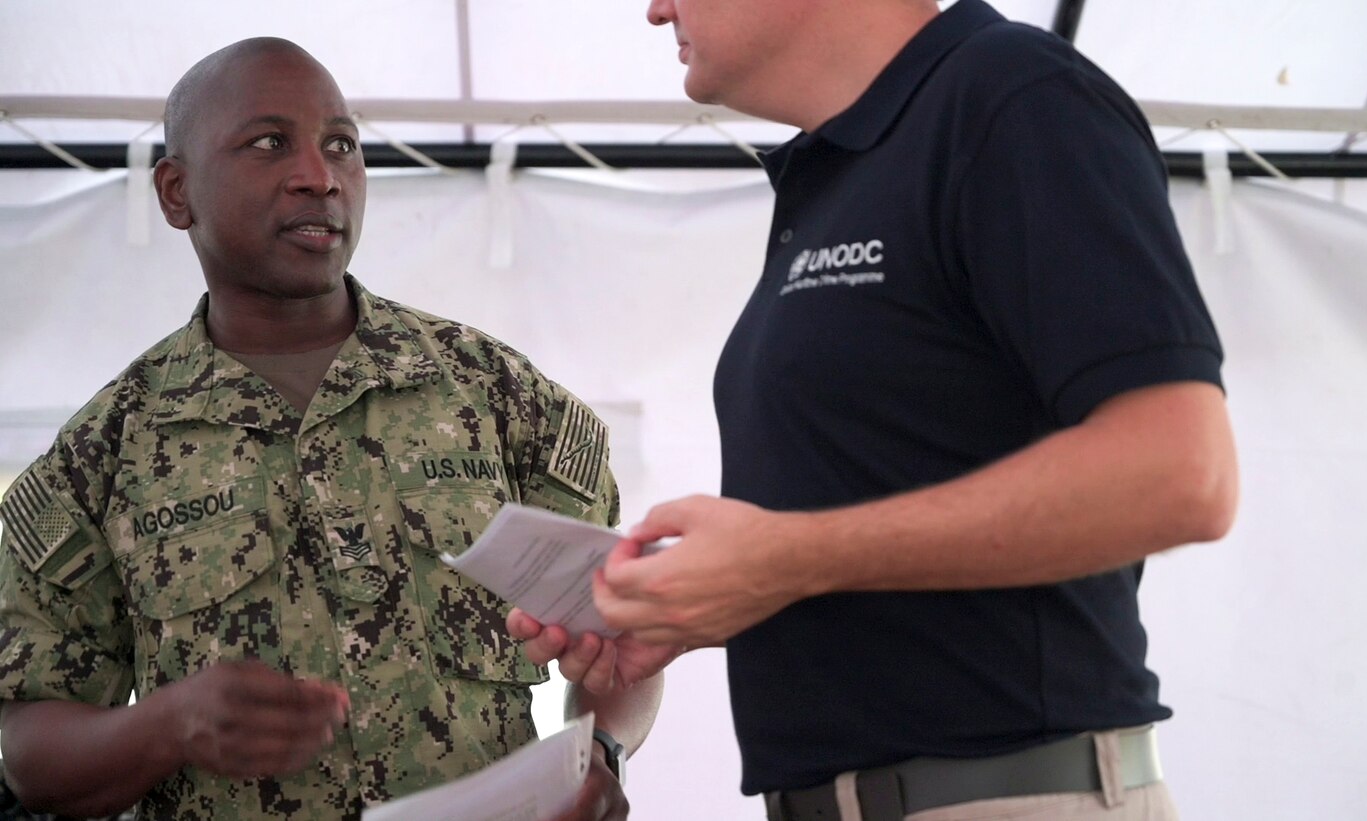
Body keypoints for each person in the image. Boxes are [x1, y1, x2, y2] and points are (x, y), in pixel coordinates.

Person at [511, 1, 1239, 819]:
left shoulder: (1015, 96)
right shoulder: (838, 170)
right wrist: (708, 598)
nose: (656, 9)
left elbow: (1181, 474)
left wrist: (783, 560)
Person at [0, 38, 660, 821]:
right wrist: (167, 724)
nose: (320, 175)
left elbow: (623, 642)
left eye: (342, 145)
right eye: (269, 143)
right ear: (177, 192)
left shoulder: (499, 395)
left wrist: (603, 755)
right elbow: (28, 743)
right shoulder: (104, 455)